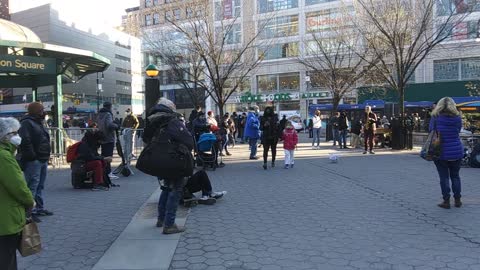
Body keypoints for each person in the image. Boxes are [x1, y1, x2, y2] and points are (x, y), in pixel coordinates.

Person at [143, 98, 194, 234]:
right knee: (176, 189)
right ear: (170, 108)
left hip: (159, 160)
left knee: (166, 188)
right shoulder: (172, 120)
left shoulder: (152, 120)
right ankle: (169, 224)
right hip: (173, 160)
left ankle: (161, 219)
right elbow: (188, 140)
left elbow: (145, 138)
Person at [0, 118, 35, 270]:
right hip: (6, 219)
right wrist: (30, 201)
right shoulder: (4, 157)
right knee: (6, 260)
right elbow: (18, 186)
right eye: (13, 133)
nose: (17, 136)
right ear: (3, 136)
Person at [18, 102, 53, 222]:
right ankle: (29, 212)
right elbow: (25, 140)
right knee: (32, 185)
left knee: (39, 185)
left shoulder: (38, 121)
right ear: (36, 111)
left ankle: (39, 208)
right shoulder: (27, 122)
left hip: (42, 158)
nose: (44, 112)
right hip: (35, 159)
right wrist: (32, 156)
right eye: (41, 110)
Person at [430, 97, 464, 209]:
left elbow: (431, 131)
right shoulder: (457, 117)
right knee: (455, 176)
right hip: (456, 150)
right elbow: (458, 131)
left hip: (441, 151)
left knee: (444, 177)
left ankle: (446, 201)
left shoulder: (436, 117)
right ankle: (458, 200)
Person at [97, 102, 120, 180]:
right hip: (109, 137)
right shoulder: (108, 114)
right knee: (109, 156)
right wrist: (116, 125)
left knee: (104, 155)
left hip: (102, 137)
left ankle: (104, 171)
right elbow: (109, 125)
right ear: (110, 107)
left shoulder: (99, 114)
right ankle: (108, 172)